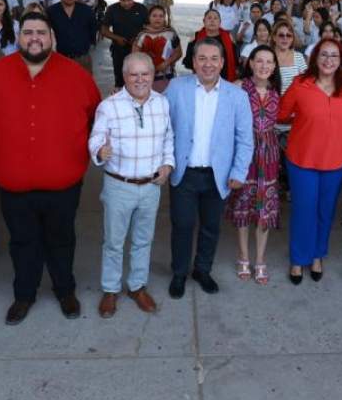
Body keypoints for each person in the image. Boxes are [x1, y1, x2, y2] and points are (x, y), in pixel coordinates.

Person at [0, 12, 101, 323]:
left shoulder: (77, 75)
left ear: (51, 37)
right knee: (22, 242)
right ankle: (24, 294)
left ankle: (65, 290)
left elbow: (94, 117)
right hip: (14, 185)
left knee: (62, 239)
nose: (34, 38)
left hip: (63, 184)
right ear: (18, 37)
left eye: (41, 32)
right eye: (28, 32)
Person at [164, 38, 253, 299]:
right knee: (182, 224)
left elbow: (245, 139)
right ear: (193, 61)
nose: (208, 64)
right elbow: (162, 125)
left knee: (211, 226)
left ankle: (202, 270)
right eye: (202, 58)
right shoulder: (176, 88)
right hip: (184, 172)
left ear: (223, 63)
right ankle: (179, 272)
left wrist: (238, 172)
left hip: (219, 175)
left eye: (214, 59)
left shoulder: (237, 96)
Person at [87, 52, 172, 318]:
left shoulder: (162, 103)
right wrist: (100, 151)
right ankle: (110, 289)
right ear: (124, 77)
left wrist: (168, 165)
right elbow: (96, 137)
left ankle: (137, 286)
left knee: (143, 240)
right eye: (133, 74)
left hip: (150, 186)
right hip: (119, 186)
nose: (139, 79)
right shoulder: (109, 106)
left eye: (144, 74)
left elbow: (169, 137)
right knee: (114, 242)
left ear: (152, 75)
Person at [278, 39, 342, 285]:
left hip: (336, 160)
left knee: (325, 212)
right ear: (314, 57)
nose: (328, 60)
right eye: (323, 55)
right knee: (304, 210)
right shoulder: (300, 83)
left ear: (341, 60)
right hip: (302, 159)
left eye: (334, 56)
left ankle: (317, 255)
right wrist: (303, 123)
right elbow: (282, 113)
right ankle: (297, 258)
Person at [227, 46, 282, 285]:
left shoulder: (276, 91)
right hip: (244, 152)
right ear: (250, 63)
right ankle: (243, 256)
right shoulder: (238, 87)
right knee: (243, 205)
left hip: (268, 154)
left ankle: (260, 259)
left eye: (269, 62)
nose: (264, 66)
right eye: (259, 61)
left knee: (265, 208)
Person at [102, 0, 149, 88]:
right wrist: (116, 38)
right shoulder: (112, 9)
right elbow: (104, 30)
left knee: (137, 76)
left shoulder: (141, 9)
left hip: (138, 50)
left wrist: (138, 39)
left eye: (129, 0)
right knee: (120, 78)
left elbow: (149, 28)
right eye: (123, 0)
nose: (127, 3)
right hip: (118, 50)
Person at [132, 4, 180, 92]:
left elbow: (178, 52)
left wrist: (166, 63)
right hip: (145, 75)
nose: (157, 18)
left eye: (161, 16)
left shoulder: (171, 34)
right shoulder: (142, 35)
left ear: (164, 18)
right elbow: (134, 55)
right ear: (149, 17)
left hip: (166, 75)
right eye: (154, 16)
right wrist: (147, 66)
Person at [195, 8, 238, 83]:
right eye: (209, 18)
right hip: (204, 76)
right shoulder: (196, 37)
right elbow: (190, 62)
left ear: (220, 22)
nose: (212, 21)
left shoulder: (228, 37)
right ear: (204, 21)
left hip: (225, 77)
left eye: (215, 18)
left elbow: (235, 58)